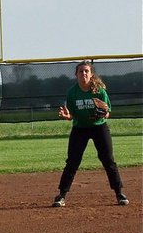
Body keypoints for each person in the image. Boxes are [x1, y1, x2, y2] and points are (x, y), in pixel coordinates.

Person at [53, 60, 129, 207]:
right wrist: (67, 116)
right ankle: (61, 195)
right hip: (80, 128)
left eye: (86, 71)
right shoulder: (72, 93)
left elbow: (108, 113)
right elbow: (72, 115)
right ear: (76, 75)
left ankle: (119, 193)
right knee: (72, 162)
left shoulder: (99, 91)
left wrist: (103, 114)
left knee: (108, 159)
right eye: (81, 71)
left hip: (99, 127)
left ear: (91, 74)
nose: (84, 74)